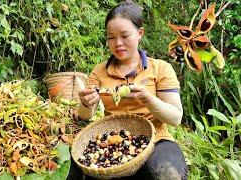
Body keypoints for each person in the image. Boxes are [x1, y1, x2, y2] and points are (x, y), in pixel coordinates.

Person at [75, 0, 188, 179]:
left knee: (167, 174)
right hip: (113, 141)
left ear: (140, 33)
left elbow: (175, 117)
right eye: (111, 37)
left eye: (125, 36)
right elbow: (84, 116)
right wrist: (85, 102)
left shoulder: (160, 68)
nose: (117, 43)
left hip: (157, 140)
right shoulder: (99, 71)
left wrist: (148, 99)